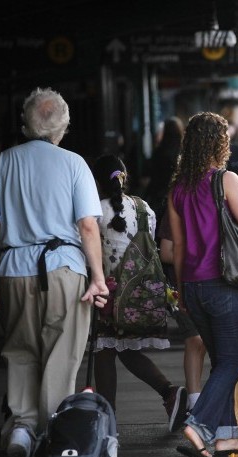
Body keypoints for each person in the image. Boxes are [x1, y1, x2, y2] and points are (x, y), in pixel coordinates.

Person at [0, 87, 108, 457]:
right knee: (61, 355)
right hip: (64, 270)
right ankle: (55, 433)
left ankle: (21, 428)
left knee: (21, 352)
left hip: (13, 272)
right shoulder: (74, 164)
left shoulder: (3, 163)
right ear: (63, 127)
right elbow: (87, 226)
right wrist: (98, 277)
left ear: (24, 124)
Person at [168, 111, 238, 457]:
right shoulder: (226, 180)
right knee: (234, 360)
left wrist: (181, 291)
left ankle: (226, 437)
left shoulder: (177, 189)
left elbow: (178, 246)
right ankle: (200, 424)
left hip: (193, 286)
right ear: (220, 143)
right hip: (224, 284)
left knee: (221, 360)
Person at [90, 154, 187, 430]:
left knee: (104, 351)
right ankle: (169, 392)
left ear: (97, 182)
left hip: (109, 295)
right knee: (125, 349)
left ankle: (107, 420)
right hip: (140, 294)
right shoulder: (145, 209)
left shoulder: (94, 211)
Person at [158, 211, 207, 419]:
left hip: (206, 283)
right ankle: (195, 403)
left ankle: (196, 399)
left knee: (202, 341)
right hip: (179, 286)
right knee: (195, 338)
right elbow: (166, 253)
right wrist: (201, 253)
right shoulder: (175, 209)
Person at [144, 117, 184, 226]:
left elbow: (153, 177)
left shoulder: (159, 152)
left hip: (160, 197)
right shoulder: (184, 153)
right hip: (178, 197)